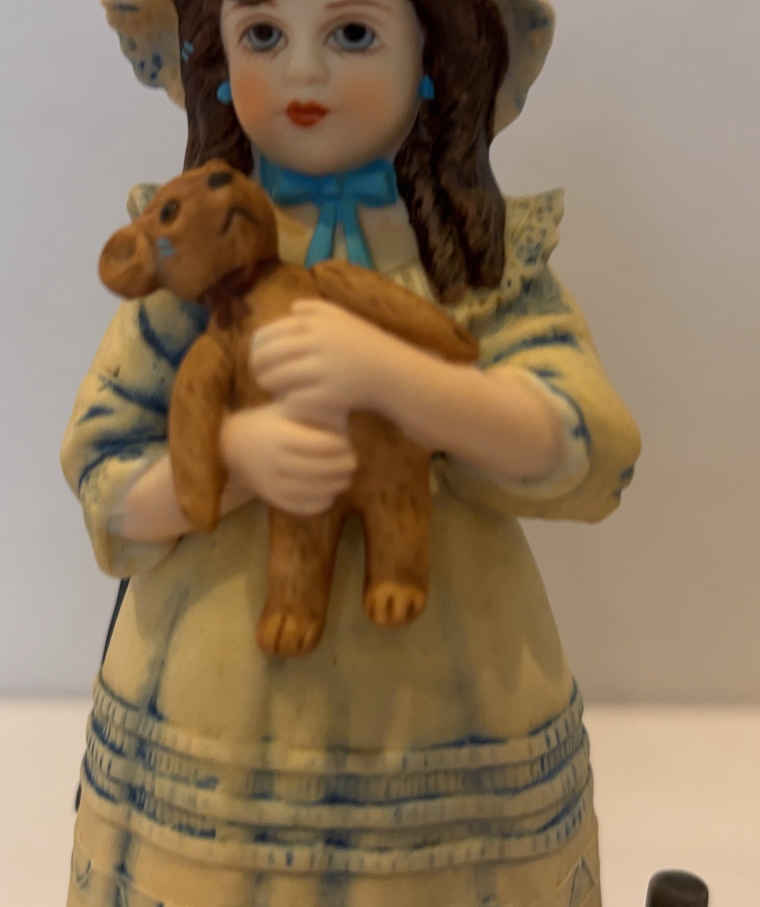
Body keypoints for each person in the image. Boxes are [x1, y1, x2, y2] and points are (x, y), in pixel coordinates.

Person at [62, 0, 641, 904]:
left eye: (353, 33)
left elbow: (592, 444)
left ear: (433, 55)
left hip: (451, 716)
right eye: (263, 34)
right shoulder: (193, 259)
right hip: (213, 708)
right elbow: (103, 471)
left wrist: (403, 381)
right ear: (218, 59)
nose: (303, 72)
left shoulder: (475, 263)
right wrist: (232, 458)